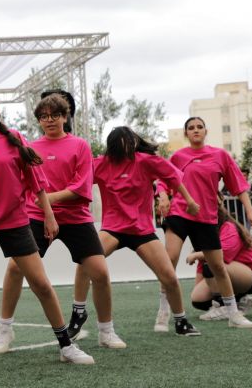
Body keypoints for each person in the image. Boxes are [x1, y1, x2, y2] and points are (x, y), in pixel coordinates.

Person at [0, 92, 94, 366]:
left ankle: (66, 346)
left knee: (41, 285)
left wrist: (48, 215)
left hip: (14, 220)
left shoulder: (15, 139)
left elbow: (36, 180)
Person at [0, 93, 125, 350]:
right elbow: (23, 183)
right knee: (14, 268)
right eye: (44, 116)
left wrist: (48, 199)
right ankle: (4, 329)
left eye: (55, 115)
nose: (50, 120)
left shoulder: (80, 145)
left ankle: (106, 331)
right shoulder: (30, 148)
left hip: (76, 218)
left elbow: (81, 187)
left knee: (100, 273)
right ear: (39, 121)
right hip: (37, 217)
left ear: (65, 117)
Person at [72, 126, 202, 335]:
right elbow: (77, 182)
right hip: (113, 229)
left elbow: (173, 177)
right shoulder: (101, 164)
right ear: (113, 146)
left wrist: (190, 201)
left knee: (169, 276)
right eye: (122, 142)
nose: (127, 146)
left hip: (142, 231)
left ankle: (181, 321)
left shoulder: (146, 161)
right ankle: (77, 313)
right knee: (85, 261)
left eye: (130, 141)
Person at [158, 117, 252, 329]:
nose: (195, 130)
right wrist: (164, 196)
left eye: (199, 127)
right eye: (191, 128)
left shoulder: (220, 155)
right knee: (170, 260)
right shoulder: (178, 156)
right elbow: (163, 180)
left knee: (218, 267)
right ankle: (163, 311)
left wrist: (250, 212)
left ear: (206, 131)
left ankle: (233, 314)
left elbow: (239, 186)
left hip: (205, 218)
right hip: (179, 213)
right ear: (186, 133)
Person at [189, 201, 252, 319]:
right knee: (198, 300)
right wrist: (203, 285)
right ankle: (239, 300)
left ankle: (223, 306)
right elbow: (202, 265)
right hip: (232, 272)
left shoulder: (228, 226)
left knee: (212, 264)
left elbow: (223, 255)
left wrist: (197, 255)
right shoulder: (204, 233)